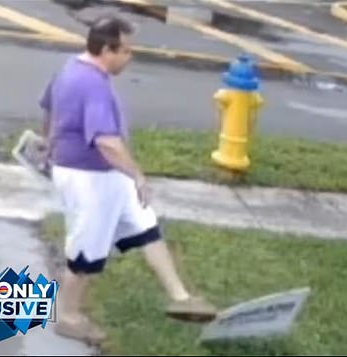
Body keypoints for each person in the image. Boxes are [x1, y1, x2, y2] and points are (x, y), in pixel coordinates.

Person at [38, 14, 218, 345]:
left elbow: (49, 110)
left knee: (145, 226)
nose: (130, 57)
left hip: (107, 175)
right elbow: (106, 142)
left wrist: (47, 142)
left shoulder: (70, 69)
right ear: (107, 49)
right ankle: (68, 317)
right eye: (126, 51)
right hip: (88, 177)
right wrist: (137, 174)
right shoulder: (92, 84)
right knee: (85, 252)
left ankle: (180, 298)